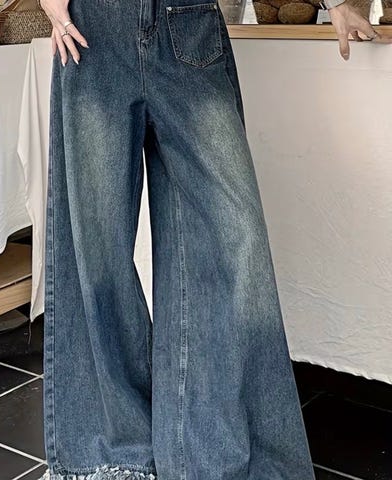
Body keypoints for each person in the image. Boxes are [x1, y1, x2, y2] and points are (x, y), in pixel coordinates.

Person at [37, 1, 391, 479]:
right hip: (90, 29)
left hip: (188, 23)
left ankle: (214, 456)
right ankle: (113, 456)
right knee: (96, 251)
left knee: (234, 240)